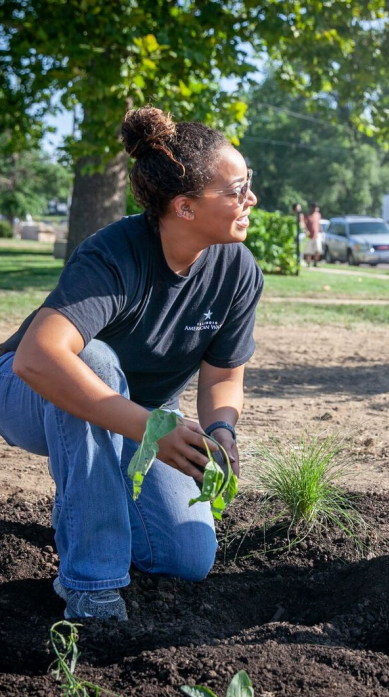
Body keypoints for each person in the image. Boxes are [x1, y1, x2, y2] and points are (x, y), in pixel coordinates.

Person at [0, 107, 263, 621]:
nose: (250, 198)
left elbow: (225, 375)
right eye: (236, 190)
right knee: (93, 359)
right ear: (184, 208)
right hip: (27, 391)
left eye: (248, 183)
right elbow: (39, 358)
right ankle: (92, 586)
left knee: (184, 559)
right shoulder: (116, 254)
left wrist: (220, 426)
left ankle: (85, 504)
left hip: (141, 412)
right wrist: (150, 429)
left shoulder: (237, 269)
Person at [303, 202, 323, 267]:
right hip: (309, 236)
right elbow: (304, 224)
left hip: (317, 235)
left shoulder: (318, 215)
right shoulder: (307, 215)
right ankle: (308, 263)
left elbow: (318, 224)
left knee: (318, 250)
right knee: (308, 250)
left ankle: (315, 263)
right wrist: (306, 231)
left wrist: (321, 231)